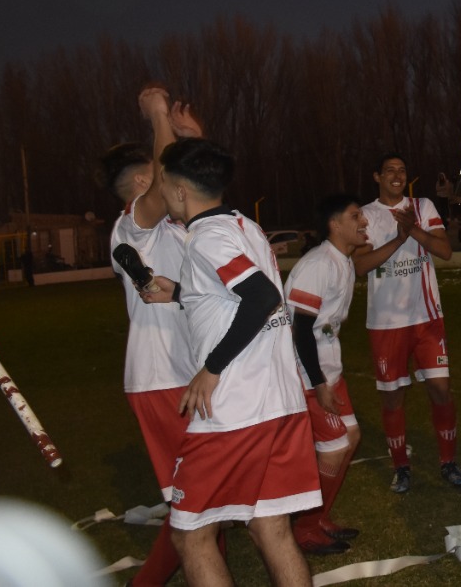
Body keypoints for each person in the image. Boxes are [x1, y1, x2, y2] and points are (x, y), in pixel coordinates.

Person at [153, 137, 318, 587]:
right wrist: (179, 291)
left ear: (181, 190)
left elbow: (261, 296)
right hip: (280, 405)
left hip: (233, 414)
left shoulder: (206, 237)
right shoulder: (244, 224)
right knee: (271, 528)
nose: (162, 193)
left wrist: (211, 368)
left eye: (164, 184)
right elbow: (232, 294)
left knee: (191, 536)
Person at [103, 86, 203, 586]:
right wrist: (158, 114)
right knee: (193, 503)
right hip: (159, 378)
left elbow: (202, 195)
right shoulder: (131, 228)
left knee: (206, 494)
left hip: (191, 373)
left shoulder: (174, 226)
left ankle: (208, 563)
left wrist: (197, 143)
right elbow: (169, 185)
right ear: (144, 182)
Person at [353, 153, 461, 493]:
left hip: (427, 318)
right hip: (386, 323)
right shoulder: (366, 215)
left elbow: (444, 250)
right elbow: (360, 266)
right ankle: (401, 466)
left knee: (441, 389)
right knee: (393, 398)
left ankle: (448, 462)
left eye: (402, 170)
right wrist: (399, 239)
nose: (397, 175)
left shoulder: (423, 205)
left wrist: (411, 228)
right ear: (377, 176)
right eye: (389, 170)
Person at [286, 195, 369, 555]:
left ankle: (318, 517)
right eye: (355, 216)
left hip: (329, 370)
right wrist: (318, 382)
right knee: (334, 449)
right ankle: (303, 529)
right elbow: (300, 330)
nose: (363, 221)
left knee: (350, 438)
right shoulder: (318, 264)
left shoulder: (344, 262)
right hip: (307, 374)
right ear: (334, 224)